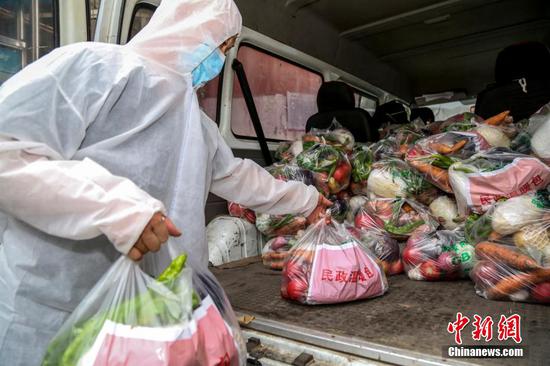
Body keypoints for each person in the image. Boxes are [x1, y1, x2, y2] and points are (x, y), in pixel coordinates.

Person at [0, 0, 330, 364]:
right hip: (54, 302)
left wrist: (306, 200)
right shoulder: (95, 68)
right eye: (221, 45)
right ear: (188, 26)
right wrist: (113, 207)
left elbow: (236, 176)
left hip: (148, 311)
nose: (220, 59)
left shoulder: (195, 121)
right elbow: (7, 152)